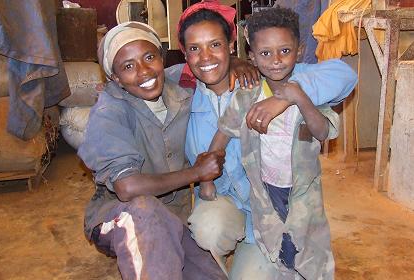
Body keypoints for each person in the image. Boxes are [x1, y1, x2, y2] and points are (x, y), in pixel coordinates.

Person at [174, 0, 357, 278]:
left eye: (215, 45)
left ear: (231, 46)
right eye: (194, 49)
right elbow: (221, 134)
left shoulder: (267, 79)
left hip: (285, 200)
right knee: (213, 230)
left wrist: (288, 95)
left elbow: (344, 77)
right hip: (242, 208)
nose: (206, 56)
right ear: (184, 54)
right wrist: (206, 180)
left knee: (306, 254)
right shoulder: (182, 93)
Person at [77, 21, 228, 280]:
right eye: (128, 66)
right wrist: (197, 172)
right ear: (115, 78)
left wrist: (238, 63)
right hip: (119, 212)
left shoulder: (177, 83)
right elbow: (127, 188)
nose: (144, 71)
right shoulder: (108, 112)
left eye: (149, 57)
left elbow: (209, 64)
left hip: (171, 216)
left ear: (162, 57)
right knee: (144, 211)